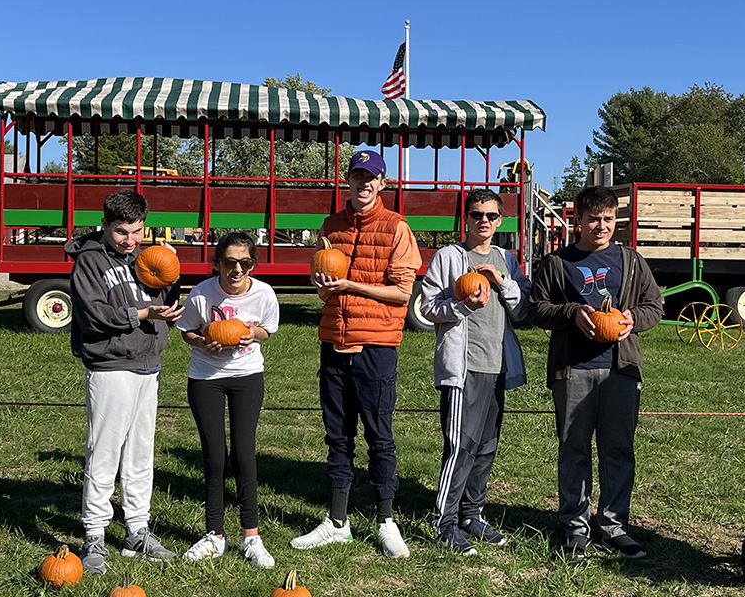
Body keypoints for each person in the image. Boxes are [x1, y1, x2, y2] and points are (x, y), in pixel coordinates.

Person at [290, 149, 422, 559]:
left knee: (380, 437)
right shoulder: (331, 227)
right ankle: (337, 521)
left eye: (371, 178)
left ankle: (386, 521)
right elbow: (323, 283)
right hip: (334, 340)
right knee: (337, 435)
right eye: (357, 176)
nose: (363, 184)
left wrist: (351, 285)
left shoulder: (397, 227)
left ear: (383, 184)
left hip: (376, 345)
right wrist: (324, 286)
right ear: (346, 180)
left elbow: (402, 292)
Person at [527, 185, 663, 560]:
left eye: (607, 219)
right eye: (593, 219)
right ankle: (575, 526)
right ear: (578, 220)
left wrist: (634, 320)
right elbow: (536, 308)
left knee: (618, 449)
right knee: (574, 449)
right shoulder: (558, 262)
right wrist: (570, 313)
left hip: (621, 370)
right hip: (574, 370)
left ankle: (614, 525)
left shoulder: (631, 260)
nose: (601, 226)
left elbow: (655, 305)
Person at [66, 189, 184, 575]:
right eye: (121, 232)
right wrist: (143, 312)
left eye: (136, 231)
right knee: (104, 452)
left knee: (140, 453)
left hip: (148, 363)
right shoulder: (89, 262)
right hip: (111, 366)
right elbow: (94, 315)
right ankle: (95, 535)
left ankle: (137, 529)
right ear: (105, 225)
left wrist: (172, 278)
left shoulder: (140, 257)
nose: (130, 240)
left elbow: (161, 297)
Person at [420, 188, 531, 555]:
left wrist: (501, 281)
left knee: (486, 446)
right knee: (461, 446)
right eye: (476, 214)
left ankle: (472, 514)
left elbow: (521, 310)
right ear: (465, 218)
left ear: (500, 221)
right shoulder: (448, 257)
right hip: (463, 368)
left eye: (491, 216)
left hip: (496, 365)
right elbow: (429, 307)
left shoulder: (506, 259)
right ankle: (444, 522)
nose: (483, 221)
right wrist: (462, 305)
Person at [176, 231, 280, 568]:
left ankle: (251, 536)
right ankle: (214, 535)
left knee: (244, 455)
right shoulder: (202, 294)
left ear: (253, 264)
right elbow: (187, 331)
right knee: (214, 456)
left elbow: (267, 329)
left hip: (247, 376)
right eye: (229, 262)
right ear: (217, 263)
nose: (237, 269)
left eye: (245, 262)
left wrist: (252, 334)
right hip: (206, 378)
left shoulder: (264, 294)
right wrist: (201, 342)